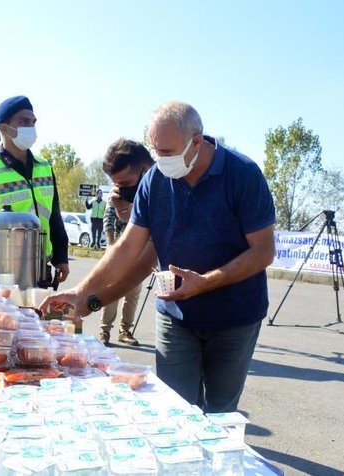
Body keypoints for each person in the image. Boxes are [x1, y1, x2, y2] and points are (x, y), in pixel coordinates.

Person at [42, 102, 276, 413]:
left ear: (196, 141)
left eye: (167, 152)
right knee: (174, 409)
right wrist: (81, 293)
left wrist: (205, 282)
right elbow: (128, 249)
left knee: (220, 412)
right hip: (176, 317)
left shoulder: (242, 175)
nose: (161, 161)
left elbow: (263, 251)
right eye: (157, 151)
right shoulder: (155, 182)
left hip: (234, 318)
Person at [0, 95, 69, 286]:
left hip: (40, 269)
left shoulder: (44, 167)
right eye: (23, 122)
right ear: (3, 128)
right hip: (2, 274)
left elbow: (54, 216)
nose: (30, 127)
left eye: (33, 122)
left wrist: (61, 257)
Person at [97, 138, 156, 346]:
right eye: (117, 184)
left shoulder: (159, 188)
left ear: (144, 169)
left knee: (132, 293)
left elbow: (144, 226)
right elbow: (112, 221)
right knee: (111, 292)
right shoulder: (117, 195)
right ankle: (105, 331)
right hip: (120, 249)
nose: (122, 188)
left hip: (139, 254)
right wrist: (111, 246)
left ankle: (125, 330)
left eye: (126, 184)